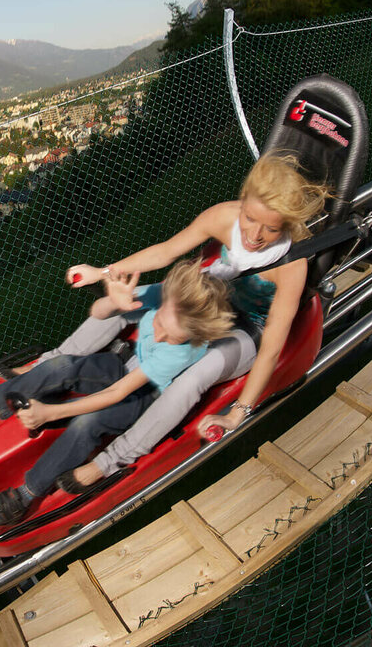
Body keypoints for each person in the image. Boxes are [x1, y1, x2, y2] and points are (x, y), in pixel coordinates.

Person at [55, 152, 329, 491]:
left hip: (247, 329)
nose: (255, 235)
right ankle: (53, 363)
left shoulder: (290, 266)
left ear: (285, 225)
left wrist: (238, 413)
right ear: (242, 201)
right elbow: (165, 252)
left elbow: (272, 346)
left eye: (271, 228)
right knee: (127, 300)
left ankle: (109, 462)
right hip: (211, 297)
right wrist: (103, 272)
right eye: (250, 218)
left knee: (193, 378)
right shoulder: (223, 217)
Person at [0, 260, 235, 527]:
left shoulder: (183, 351)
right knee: (63, 365)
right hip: (119, 368)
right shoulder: (162, 297)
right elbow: (99, 312)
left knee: (88, 423)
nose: (159, 335)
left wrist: (50, 413)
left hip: (140, 394)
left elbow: (118, 392)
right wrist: (114, 301)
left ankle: (23, 496)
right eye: (159, 323)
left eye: (172, 337)